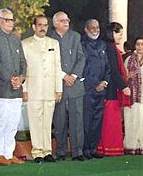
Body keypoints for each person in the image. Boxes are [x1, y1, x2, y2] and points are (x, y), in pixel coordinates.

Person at [0, 8, 27, 166]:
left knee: (13, 123)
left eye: (12, 20)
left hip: (16, 89)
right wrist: (11, 79)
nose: (11, 23)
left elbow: (23, 62)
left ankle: (9, 154)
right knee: (0, 122)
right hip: (2, 89)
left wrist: (21, 78)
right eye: (7, 20)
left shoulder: (16, 39)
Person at [22, 15, 62, 163]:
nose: (42, 28)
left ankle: (47, 151)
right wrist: (24, 89)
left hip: (50, 89)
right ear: (34, 27)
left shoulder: (54, 43)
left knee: (47, 121)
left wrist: (59, 89)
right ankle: (37, 151)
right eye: (39, 25)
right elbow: (23, 68)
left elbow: (58, 67)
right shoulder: (25, 44)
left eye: (45, 25)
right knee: (35, 121)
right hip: (33, 89)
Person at [51, 11, 86, 161]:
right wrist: (63, 75)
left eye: (67, 19)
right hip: (57, 86)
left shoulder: (75, 36)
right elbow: (49, 62)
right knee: (59, 121)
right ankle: (61, 151)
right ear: (55, 23)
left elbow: (81, 57)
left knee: (77, 120)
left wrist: (73, 76)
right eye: (62, 20)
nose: (66, 22)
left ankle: (78, 152)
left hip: (75, 86)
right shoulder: (48, 38)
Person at [97, 22, 131, 156]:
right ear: (111, 33)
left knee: (108, 120)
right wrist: (124, 86)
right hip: (111, 89)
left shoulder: (109, 47)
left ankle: (105, 148)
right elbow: (113, 70)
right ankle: (111, 148)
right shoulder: (110, 48)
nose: (121, 37)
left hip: (109, 88)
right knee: (110, 120)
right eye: (119, 34)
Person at [81, 19, 110, 159]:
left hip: (101, 89)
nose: (95, 30)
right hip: (88, 89)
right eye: (92, 28)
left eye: (97, 27)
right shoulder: (82, 44)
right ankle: (85, 148)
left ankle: (93, 148)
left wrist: (104, 82)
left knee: (98, 120)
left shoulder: (102, 44)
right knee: (87, 120)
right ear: (86, 29)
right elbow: (84, 68)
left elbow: (107, 67)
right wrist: (95, 84)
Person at [123, 37, 143, 154]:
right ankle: (131, 146)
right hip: (132, 96)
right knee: (132, 120)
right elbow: (123, 76)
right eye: (138, 44)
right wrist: (128, 76)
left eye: (142, 44)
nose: (140, 47)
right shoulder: (129, 59)